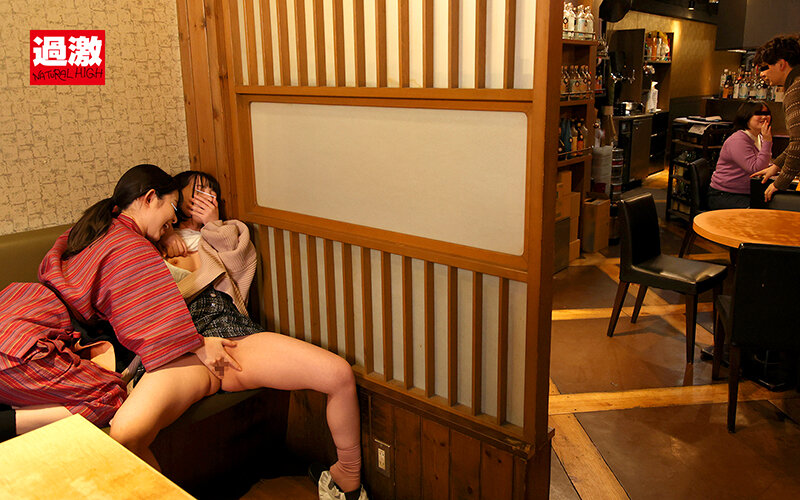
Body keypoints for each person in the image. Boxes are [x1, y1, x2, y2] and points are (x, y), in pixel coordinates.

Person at [120, 170, 368, 500]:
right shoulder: (142, 245)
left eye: (211, 193)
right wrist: (164, 237)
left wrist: (213, 226)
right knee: (127, 433)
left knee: (338, 374)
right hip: (180, 345)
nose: (204, 199)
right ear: (173, 201)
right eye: (196, 193)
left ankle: (346, 479)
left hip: (230, 330)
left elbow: (240, 269)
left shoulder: (224, 234)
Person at [0, 165, 237, 448]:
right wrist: (199, 343)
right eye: (174, 207)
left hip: (16, 305)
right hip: (20, 345)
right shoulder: (132, 246)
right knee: (111, 396)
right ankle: (8, 422)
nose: (175, 219)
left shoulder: (94, 227)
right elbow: (150, 317)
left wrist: (164, 235)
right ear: (150, 198)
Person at [752, 34, 800, 201]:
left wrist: (780, 183)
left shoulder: (795, 90)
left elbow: (798, 143)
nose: (762, 74)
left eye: (765, 67)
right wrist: (777, 166)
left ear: (781, 64)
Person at [707, 101, 773, 209]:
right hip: (725, 195)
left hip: (748, 193)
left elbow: (763, 164)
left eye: (767, 113)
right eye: (758, 113)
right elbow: (756, 169)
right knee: (763, 212)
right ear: (746, 116)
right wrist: (768, 141)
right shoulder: (738, 140)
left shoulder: (759, 137)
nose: (764, 117)